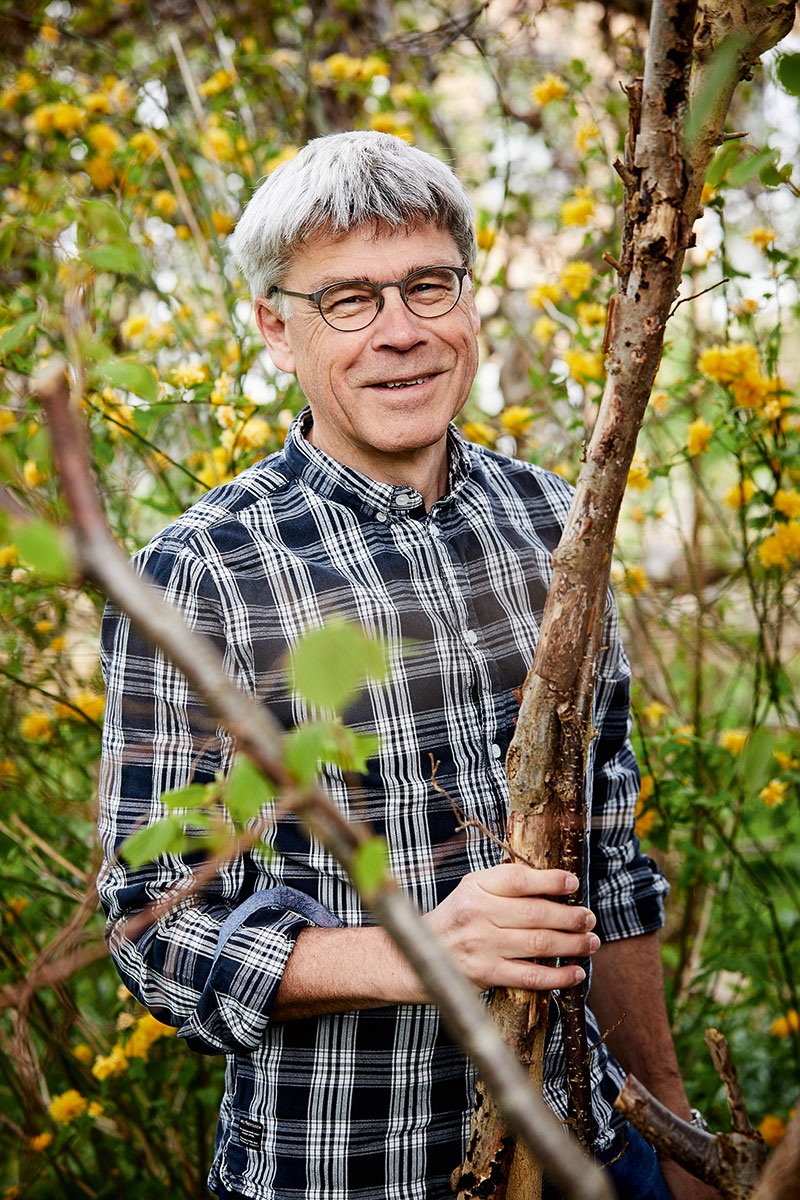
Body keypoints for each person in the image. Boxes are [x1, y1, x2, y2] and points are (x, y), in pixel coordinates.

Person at [97, 131, 716, 1200]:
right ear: (273, 330)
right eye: (347, 301)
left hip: (590, 1154)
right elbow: (157, 932)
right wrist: (425, 950)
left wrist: (669, 1129)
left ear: (468, 301)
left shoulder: (552, 524)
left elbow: (605, 868)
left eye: (428, 286)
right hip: (347, 1170)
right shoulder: (199, 575)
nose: (400, 333)